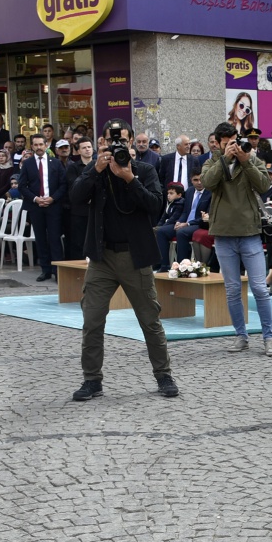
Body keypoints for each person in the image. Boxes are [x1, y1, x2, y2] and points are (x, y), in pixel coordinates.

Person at [69, 143, 179, 400]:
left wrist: (129, 178)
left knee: (150, 320)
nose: (116, 151)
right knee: (92, 320)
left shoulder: (145, 170)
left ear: (130, 145)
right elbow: (75, 198)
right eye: (109, 143)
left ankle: (163, 375)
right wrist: (95, 170)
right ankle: (92, 380)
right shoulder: (95, 169)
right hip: (102, 258)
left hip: (135, 256)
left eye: (122, 143)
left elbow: (155, 206)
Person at [201, 121, 272, 355]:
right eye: (225, 144)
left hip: (249, 232)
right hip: (223, 233)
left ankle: (269, 337)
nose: (231, 147)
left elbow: (265, 184)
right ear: (217, 143)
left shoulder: (251, 158)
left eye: (233, 143)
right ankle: (241, 335)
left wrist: (245, 161)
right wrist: (224, 158)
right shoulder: (213, 160)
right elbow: (207, 183)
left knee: (260, 288)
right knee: (233, 289)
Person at [20, 134, 66, 281]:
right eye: (36, 145)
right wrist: (35, 199)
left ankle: (57, 270)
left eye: (41, 144)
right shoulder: (27, 164)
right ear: (32, 146)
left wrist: (52, 198)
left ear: (46, 145)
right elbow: (22, 186)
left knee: (54, 238)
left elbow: (63, 184)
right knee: (40, 239)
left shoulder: (56, 163)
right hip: (36, 206)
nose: (39, 147)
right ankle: (45, 270)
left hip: (53, 206)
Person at [65, 138, 94, 259]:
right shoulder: (73, 168)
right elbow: (74, 188)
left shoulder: (100, 165)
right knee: (78, 242)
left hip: (96, 211)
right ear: (78, 151)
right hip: (79, 212)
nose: (87, 150)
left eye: (89, 147)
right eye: (84, 147)